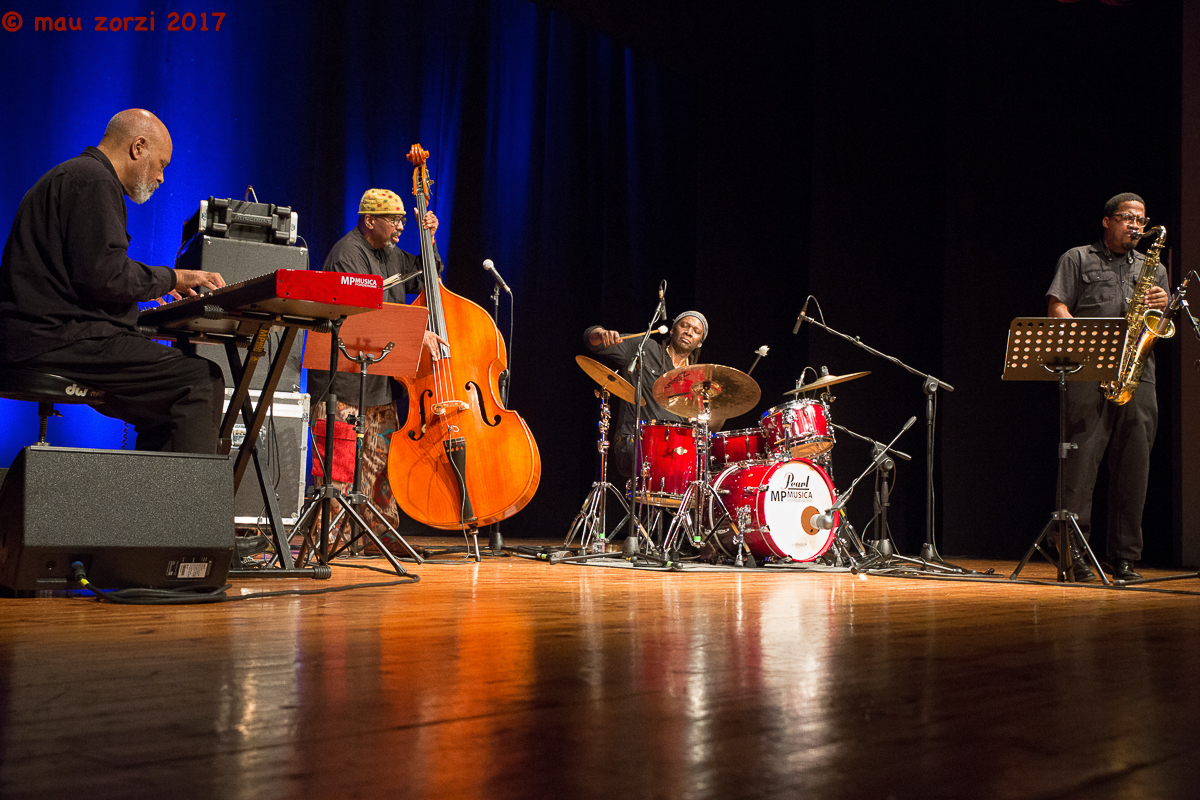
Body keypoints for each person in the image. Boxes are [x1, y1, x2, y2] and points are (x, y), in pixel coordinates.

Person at [0, 108, 226, 453]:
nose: (162, 178)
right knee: (200, 381)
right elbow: (107, 277)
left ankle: (148, 505)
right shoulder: (94, 181)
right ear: (138, 147)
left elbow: (90, 272)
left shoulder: (74, 176)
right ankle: (181, 507)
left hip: (39, 335)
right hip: (54, 339)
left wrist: (147, 295)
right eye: (162, 164)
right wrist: (172, 278)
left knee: (165, 406)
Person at [306, 188, 446, 541]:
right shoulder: (347, 254)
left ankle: (378, 537)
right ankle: (333, 539)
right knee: (339, 469)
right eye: (394, 220)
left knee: (380, 467)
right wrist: (415, 335)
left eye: (403, 220)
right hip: (344, 382)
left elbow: (426, 275)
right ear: (370, 220)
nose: (401, 227)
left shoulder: (392, 254)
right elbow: (364, 312)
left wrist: (428, 240)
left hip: (380, 383)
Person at [1046, 192, 1169, 581]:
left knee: (1135, 467)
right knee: (1080, 466)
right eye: (1128, 218)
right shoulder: (1078, 258)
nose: (1136, 226)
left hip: (1139, 372)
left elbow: (1161, 322)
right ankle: (1072, 553)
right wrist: (1080, 339)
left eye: (1141, 220)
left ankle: (1125, 557)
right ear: (1107, 221)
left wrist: (1163, 304)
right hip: (1089, 373)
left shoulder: (1155, 268)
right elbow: (1057, 307)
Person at [584, 312, 708, 480]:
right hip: (635, 443)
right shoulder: (643, 348)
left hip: (676, 453)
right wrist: (600, 334)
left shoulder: (697, 380)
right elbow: (594, 343)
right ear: (672, 330)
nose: (688, 332)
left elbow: (711, 422)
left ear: (699, 342)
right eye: (684, 326)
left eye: (696, 330)